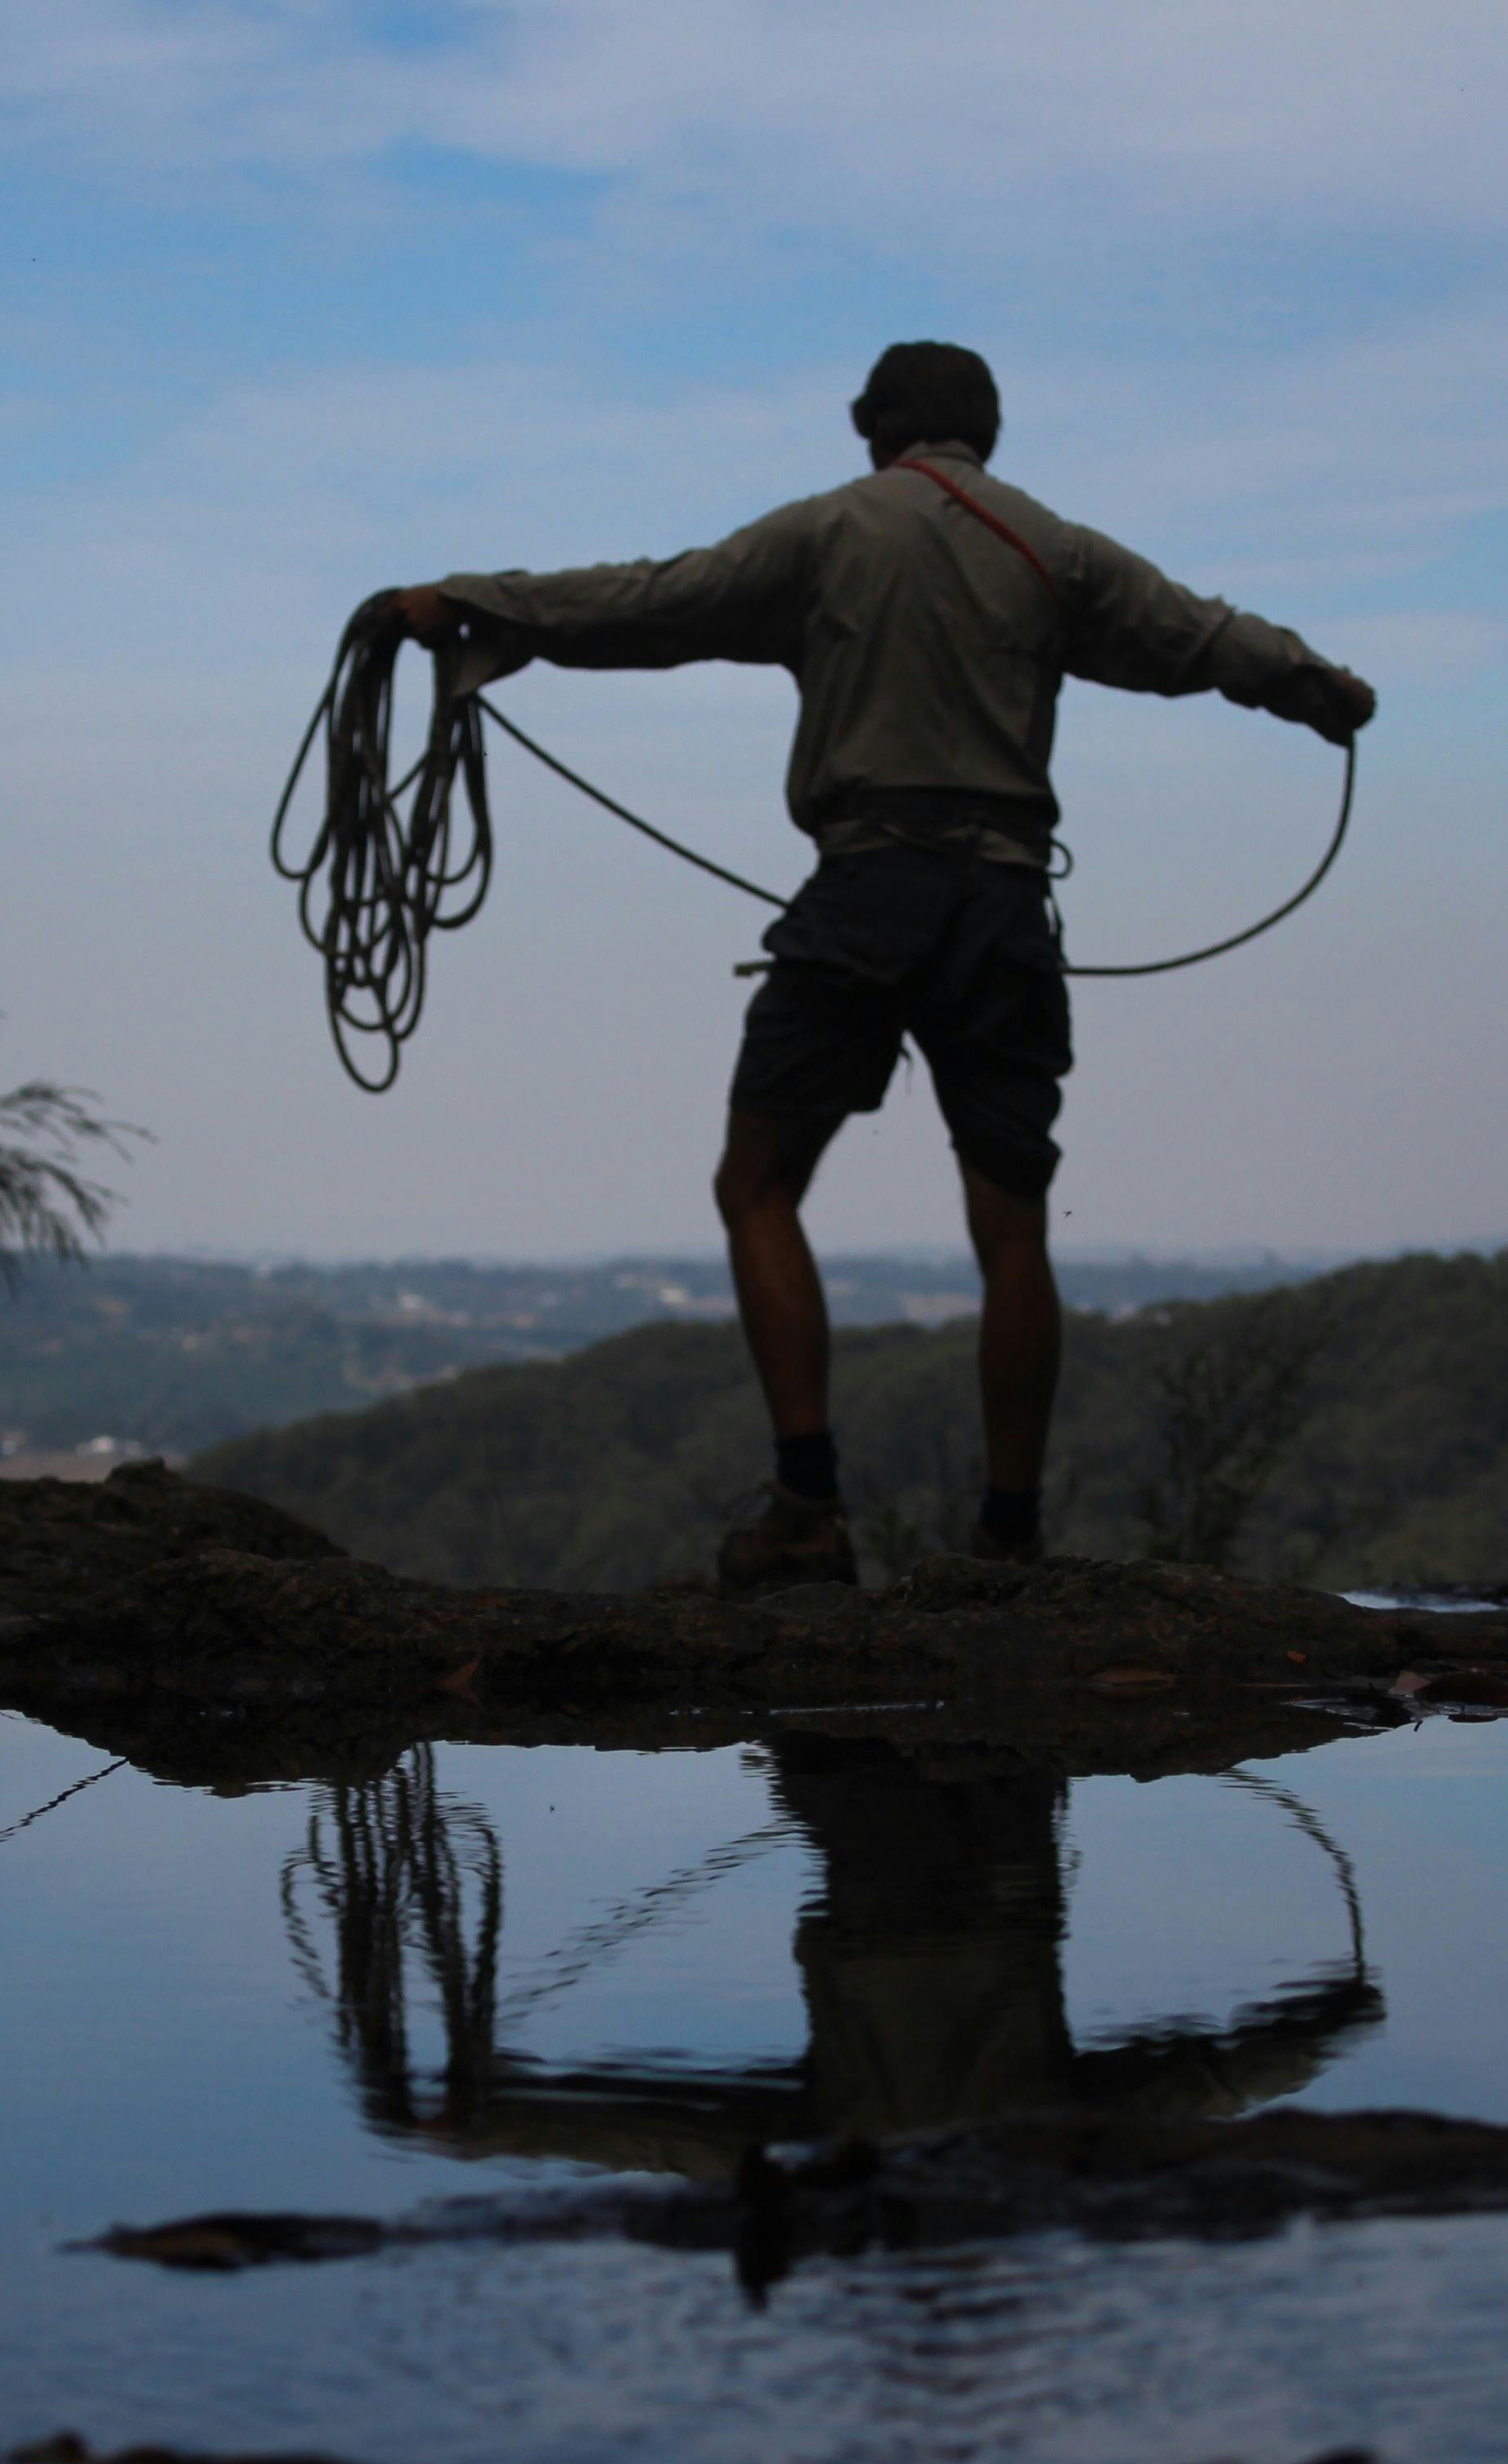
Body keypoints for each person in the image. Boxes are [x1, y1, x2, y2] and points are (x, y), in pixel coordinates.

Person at [368, 341, 1374, 1591]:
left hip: (866, 893)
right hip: (1003, 907)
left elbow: (655, 600)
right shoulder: (1055, 550)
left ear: (872, 429)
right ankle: (1011, 1537)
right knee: (1013, 1226)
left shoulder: (828, 532)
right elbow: (1202, 636)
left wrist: (472, 605)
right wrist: (1317, 688)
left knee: (758, 1185)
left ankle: (808, 1509)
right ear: (986, 432)